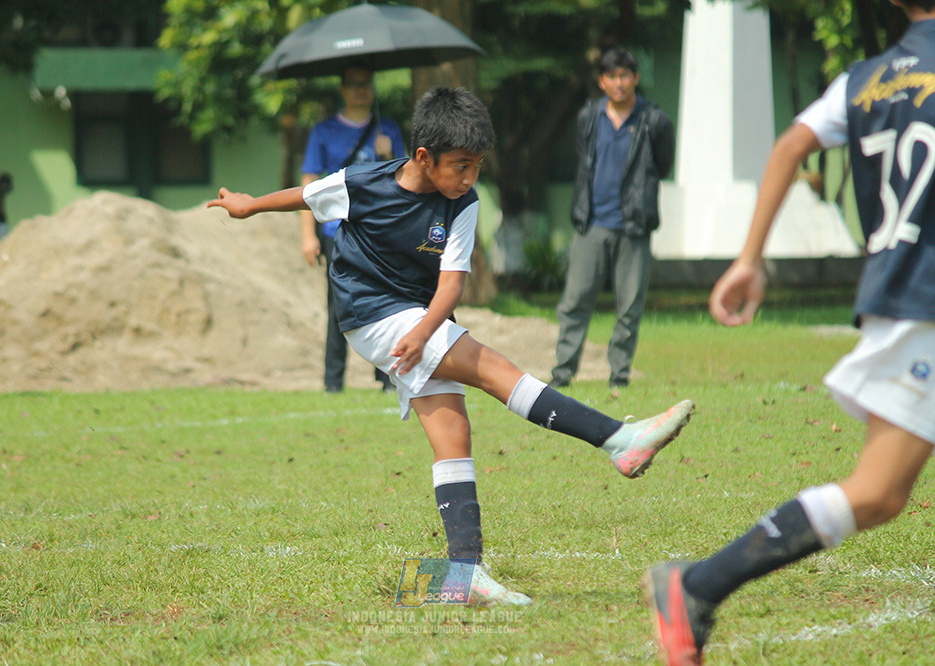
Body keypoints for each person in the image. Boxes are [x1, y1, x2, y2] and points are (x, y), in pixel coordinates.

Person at [209, 87, 694, 607]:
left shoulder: (463, 202)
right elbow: (305, 196)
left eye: (478, 166)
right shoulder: (362, 182)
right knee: (492, 368)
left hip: (423, 314)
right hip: (369, 312)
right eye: (460, 165)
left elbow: (450, 285)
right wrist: (248, 206)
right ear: (423, 157)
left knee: (453, 433)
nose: (469, 177)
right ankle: (618, 440)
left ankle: (464, 573)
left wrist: (423, 330)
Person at [644, 3, 935, 663]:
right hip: (925, 304)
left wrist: (749, 258)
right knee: (877, 491)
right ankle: (697, 584)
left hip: (902, 292)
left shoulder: (867, 78)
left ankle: (696, 585)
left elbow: (790, 145)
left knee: (883, 493)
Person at [551, 47, 675, 393]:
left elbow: (662, 165)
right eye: (612, 76)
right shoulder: (588, 117)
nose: (618, 83)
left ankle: (619, 375)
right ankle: (562, 373)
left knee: (629, 307)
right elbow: (583, 160)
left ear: (635, 78)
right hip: (591, 223)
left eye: (625, 75)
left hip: (633, 226)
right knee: (575, 302)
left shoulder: (654, 119)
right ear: (602, 81)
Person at [300, 64, 406, 393]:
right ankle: (333, 383)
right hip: (337, 232)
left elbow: (406, 177)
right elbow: (308, 183)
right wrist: (307, 235)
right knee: (338, 306)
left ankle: (388, 377)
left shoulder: (387, 130)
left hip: (379, 232)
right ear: (343, 89)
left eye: (366, 83)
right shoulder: (323, 132)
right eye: (353, 84)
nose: (361, 89)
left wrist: (389, 154)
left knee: (388, 302)